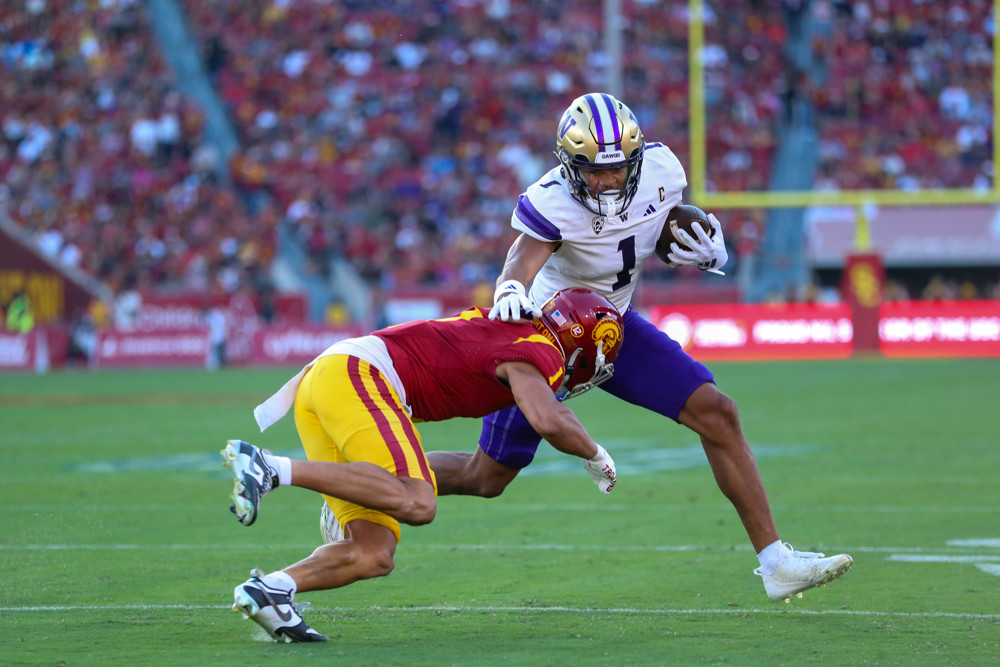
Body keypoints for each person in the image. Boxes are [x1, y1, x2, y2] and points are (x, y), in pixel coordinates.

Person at [424, 92, 852, 603]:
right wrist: (510, 288)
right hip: (548, 336)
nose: (606, 181)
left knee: (716, 411)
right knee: (485, 476)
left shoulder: (661, 169)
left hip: (614, 325)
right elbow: (522, 257)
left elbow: (667, 223)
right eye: (593, 171)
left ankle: (776, 562)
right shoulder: (551, 198)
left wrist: (706, 245)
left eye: (617, 169)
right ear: (568, 164)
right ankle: (374, 483)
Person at [220, 287, 625, 642]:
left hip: (331, 377)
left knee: (374, 553)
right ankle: (270, 468)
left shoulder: (517, 329)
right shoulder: (544, 350)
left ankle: (272, 591)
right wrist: (595, 455)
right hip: (360, 374)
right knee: (419, 502)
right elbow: (548, 418)